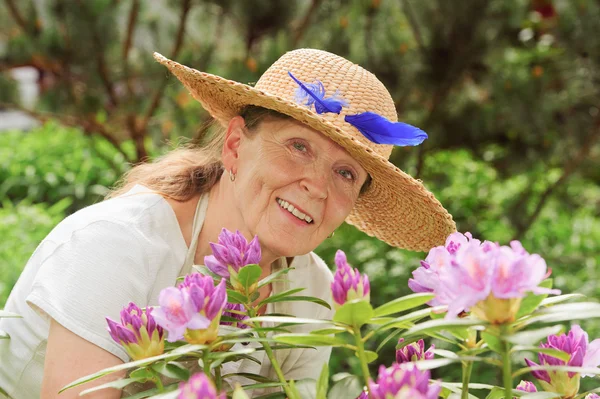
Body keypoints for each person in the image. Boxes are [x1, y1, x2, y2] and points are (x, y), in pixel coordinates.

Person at [0, 48, 455, 398]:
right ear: (235, 146)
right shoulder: (116, 244)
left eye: (345, 173)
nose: (317, 186)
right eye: (298, 146)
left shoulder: (314, 292)